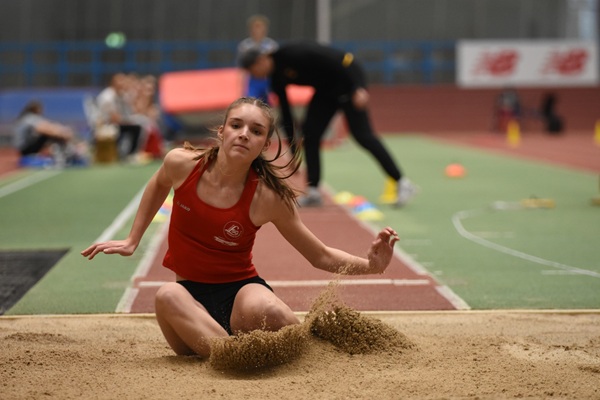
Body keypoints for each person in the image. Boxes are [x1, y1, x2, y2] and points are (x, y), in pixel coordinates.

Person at [81, 97, 400, 358]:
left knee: (271, 311)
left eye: (256, 131)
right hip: (188, 300)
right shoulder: (182, 164)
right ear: (222, 132)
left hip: (240, 292)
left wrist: (372, 266)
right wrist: (132, 239)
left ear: (264, 144)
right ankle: (233, 354)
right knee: (166, 295)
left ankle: (293, 348)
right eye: (236, 125)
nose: (244, 134)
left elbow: (319, 255)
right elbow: (157, 184)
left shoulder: (268, 197)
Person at [238, 41, 417, 207]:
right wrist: (293, 153)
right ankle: (314, 191)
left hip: (348, 85)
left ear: (261, 60)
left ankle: (402, 182)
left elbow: (345, 60)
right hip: (326, 93)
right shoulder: (275, 78)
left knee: (363, 137)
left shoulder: (293, 53)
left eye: (253, 71)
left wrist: (358, 86)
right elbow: (286, 113)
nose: (255, 75)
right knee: (310, 134)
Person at [12, 100, 84, 166]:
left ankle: (66, 153)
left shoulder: (26, 117)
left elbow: (48, 125)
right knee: (51, 134)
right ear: (36, 109)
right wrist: (63, 133)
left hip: (24, 147)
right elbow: (45, 128)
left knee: (54, 133)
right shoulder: (30, 117)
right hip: (26, 148)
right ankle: (63, 156)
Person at [95, 72, 143, 161]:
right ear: (114, 83)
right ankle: (129, 154)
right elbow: (114, 118)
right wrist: (128, 121)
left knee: (138, 125)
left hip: (118, 123)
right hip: (106, 125)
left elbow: (132, 111)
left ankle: (131, 154)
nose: (123, 84)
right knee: (135, 128)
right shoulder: (107, 97)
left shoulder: (121, 95)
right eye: (120, 81)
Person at [236, 14, 279, 103]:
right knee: (251, 102)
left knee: (267, 104)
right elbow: (242, 67)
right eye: (255, 28)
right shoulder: (245, 46)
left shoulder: (271, 45)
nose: (258, 31)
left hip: (267, 79)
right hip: (252, 80)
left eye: (260, 27)